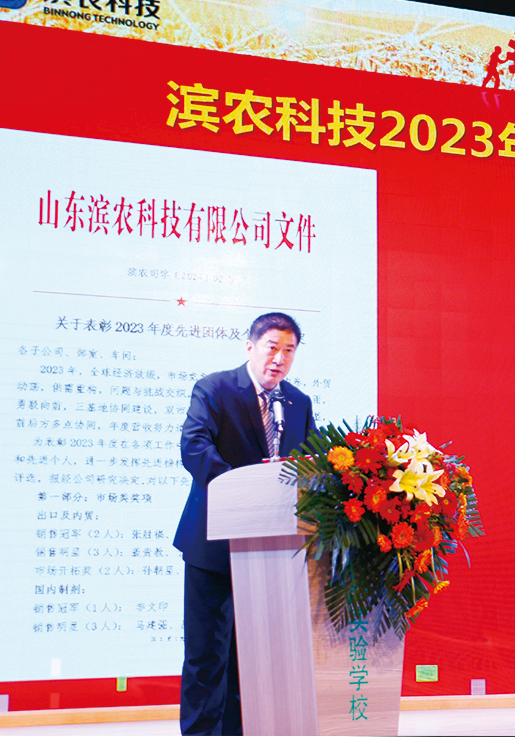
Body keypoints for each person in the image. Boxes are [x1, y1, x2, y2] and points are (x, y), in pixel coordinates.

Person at [173, 312, 316, 735]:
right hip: (213, 544)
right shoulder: (215, 388)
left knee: (251, 657)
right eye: (272, 347)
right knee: (206, 653)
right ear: (250, 346)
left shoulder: (299, 402)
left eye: (289, 350)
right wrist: (244, 492)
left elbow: (310, 464)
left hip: (271, 549)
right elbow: (194, 446)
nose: (279, 358)